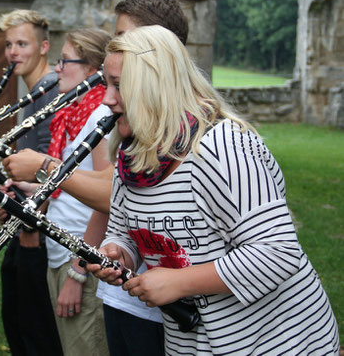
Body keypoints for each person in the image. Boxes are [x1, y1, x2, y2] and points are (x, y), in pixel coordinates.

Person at [89, 25, 340, 355]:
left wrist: (178, 282)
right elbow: (124, 231)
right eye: (106, 83)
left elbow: (277, 252)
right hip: (195, 343)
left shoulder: (222, 147)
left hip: (278, 342)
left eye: (119, 86)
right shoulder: (132, 156)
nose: (106, 99)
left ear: (154, 85)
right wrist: (118, 252)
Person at [3, 0, 189, 355]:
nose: (113, 50)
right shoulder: (128, 126)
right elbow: (127, 206)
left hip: (185, 310)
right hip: (131, 293)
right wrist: (120, 250)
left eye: (123, 38)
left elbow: (108, 197)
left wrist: (46, 169)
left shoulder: (212, 139)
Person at [38, 28, 112, 356]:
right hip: (62, 253)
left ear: (92, 70)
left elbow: (107, 199)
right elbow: (75, 184)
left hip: (80, 260)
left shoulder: (101, 115)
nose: (56, 68)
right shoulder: (74, 113)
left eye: (65, 60)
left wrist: (78, 272)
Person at [0, 9, 62, 355]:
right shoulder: (34, 91)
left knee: (33, 323)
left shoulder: (49, 91)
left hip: (41, 225)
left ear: (44, 47)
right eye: (9, 44)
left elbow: (53, 162)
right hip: (25, 214)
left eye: (22, 43)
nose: (13, 52)